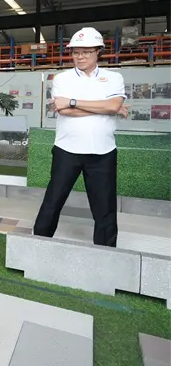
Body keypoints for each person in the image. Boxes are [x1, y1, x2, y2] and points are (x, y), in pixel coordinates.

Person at [34, 27, 127, 247]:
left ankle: (106, 252)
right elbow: (64, 110)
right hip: (67, 150)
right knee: (53, 200)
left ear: (98, 51)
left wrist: (73, 102)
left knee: (105, 207)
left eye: (86, 52)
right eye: (76, 52)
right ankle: (36, 244)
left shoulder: (113, 77)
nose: (80, 56)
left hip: (103, 152)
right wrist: (105, 108)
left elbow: (113, 105)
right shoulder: (62, 78)